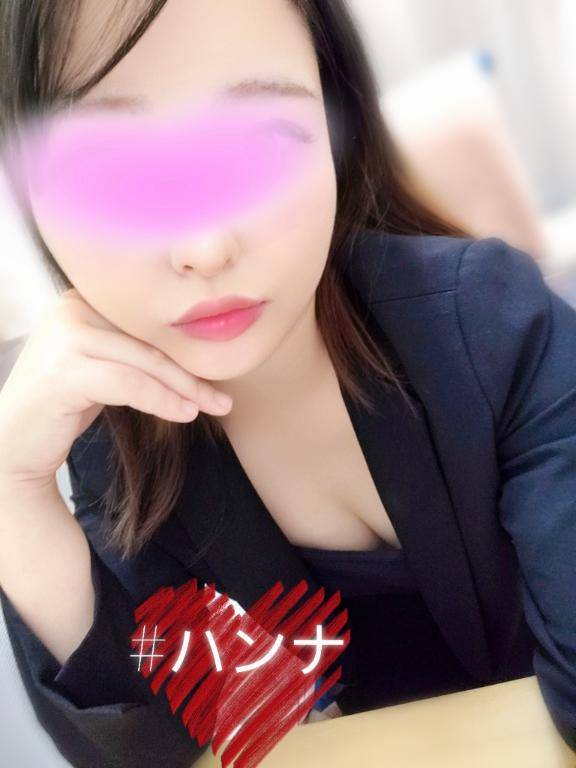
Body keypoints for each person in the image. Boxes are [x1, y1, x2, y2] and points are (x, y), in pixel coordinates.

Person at [0, 1, 575, 766]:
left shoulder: (490, 323)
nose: (205, 245)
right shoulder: (119, 445)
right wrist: (13, 491)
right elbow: (175, 748)